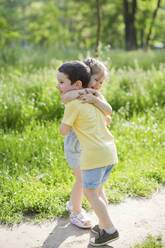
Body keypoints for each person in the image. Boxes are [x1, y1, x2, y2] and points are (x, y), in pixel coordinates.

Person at [56, 61, 119, 246]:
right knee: (90, 186)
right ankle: (88, 216)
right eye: (96, 80)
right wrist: (83, 93)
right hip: (87, 147)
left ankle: (106, 227)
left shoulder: (93, 97)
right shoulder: (76, 95)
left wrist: (95, 98)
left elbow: (108, 112)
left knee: (91, 189)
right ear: (84, 78)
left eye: (101, 83)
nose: (98, 85)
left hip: (92, 149)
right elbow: (66, 98)